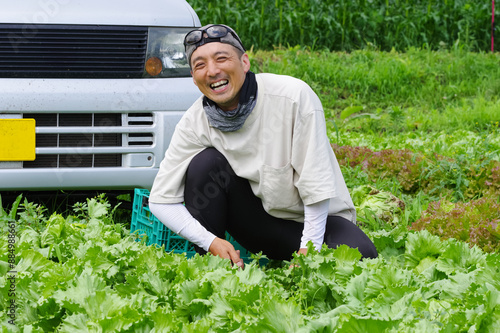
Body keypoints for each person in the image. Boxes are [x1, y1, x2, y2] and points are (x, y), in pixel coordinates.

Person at [149, 24, 377, 268]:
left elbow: (315, 186)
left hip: (318, 223)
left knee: (363, 253)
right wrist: (210, 241)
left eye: (221, 58)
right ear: (194, 79)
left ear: (244, 62)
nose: (212, 71)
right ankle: (217, 270)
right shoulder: (195, 121)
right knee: (205, 164)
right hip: (261, 225)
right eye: (200, 65)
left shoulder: (292, 96)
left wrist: (308, 249)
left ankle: (299, 258)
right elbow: (160, 200)